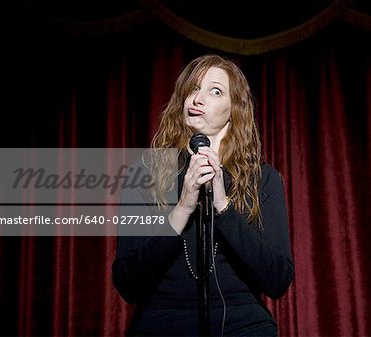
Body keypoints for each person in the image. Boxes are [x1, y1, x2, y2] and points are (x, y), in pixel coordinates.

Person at [112, 54, 294, 337]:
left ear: (234, 109)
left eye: (215, 91)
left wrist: (223, 206)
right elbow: (128, 283)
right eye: (193, 89)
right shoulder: (145, 174)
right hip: (162, 324)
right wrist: (182, 208)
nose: (197, 99)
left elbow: (278, 279)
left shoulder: (263, 179)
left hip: (243, 325)